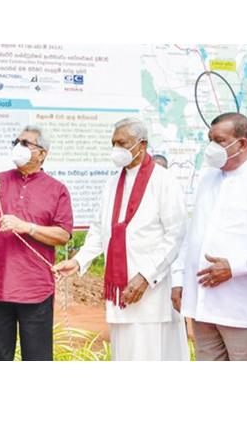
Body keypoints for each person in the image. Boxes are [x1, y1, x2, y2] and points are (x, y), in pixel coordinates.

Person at [53, 118, 189, 360]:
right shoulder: (113, 182)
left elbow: (175, 235)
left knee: (150, 356)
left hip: (150, 294)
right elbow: (100, 229)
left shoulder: (163, 180)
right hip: (119, 293)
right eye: (113, 143)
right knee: (124, 355)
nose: (116, 149)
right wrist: (79, 260)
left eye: (122, 143)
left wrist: (146, 276)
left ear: (142, 145)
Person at [172, 112, 247, 361]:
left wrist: (234, 267)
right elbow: (193, 234)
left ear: (242, 144)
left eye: (219, 140)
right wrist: (179, 279)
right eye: (210, 140)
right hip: (202, 307)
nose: (211, 147)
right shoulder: (207, 180)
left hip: (244, 310)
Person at [0, 125, 74, 361]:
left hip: (36, 290)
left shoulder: (57, 190)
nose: (18, 147)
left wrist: (27, 227)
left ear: (42, 153)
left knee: (37, 358)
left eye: (25, 143)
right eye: (16, 142)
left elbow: (63, 235)